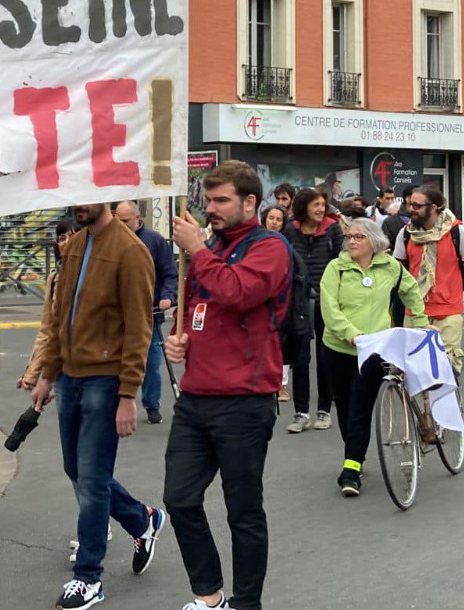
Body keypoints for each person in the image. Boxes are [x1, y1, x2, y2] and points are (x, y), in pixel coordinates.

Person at [164, 160, 291, 610]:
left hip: (244, 402)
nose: (211, 209)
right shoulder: (210, 248)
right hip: (196, 398)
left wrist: (199, 248)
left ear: (250, 201)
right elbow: (200, 307)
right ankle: (210, 594)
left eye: (222, 201)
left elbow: (238, 292)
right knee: (178, 500)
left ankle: (246, 602)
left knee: (243, 511)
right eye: (209, 200)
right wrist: (182, 338)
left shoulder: (270, 246)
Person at [31, 204, 161, 610]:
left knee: (92, 477)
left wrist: (128, 394)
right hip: (69, 376)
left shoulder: (130, 251)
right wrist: (48, 373)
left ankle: (88, 578)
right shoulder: (74, 247)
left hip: (106, 380)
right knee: (77, 470)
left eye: (86, 197)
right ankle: (142, 519)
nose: (77, 205)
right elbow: (59, 319)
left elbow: (140, 327)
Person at [321, 218, 427, 496]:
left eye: (359, 237)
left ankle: (351, 468)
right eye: (349, 237)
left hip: (375, 350)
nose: (352, 242)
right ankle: (354, 451)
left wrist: (422, 319)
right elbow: (329, 308)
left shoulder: (391, 267)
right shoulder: (336, 269)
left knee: (360, 408)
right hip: (339, 348)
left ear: (374, 242)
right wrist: (351, 333)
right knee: (344, 408)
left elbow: (411, 291)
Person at [392, 187, 464, 375]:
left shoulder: (457, 232)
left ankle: (446, 403)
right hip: (415, 310)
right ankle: (422, 404)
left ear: (433, 208)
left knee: (445, 368)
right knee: (415, 370)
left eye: (416, 205)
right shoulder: (406, 234)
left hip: (448, 310)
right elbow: (395, 270)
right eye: (409, 204)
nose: (411, 209)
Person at [283, 187, 343, 433]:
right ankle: (300, 413)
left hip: (326, 301)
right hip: (298, 302)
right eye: (315, 204)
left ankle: (324, 411)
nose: (320, 209)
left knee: (324, 357)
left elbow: (343, 261)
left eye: (323, 204)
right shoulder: (290, 230)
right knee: (300, 358)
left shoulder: (332, 229)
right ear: (304, 206)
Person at [114, 201, 179, 425]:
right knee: (115, 360)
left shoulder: (154, 240)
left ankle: (152, 404)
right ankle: (117, 402)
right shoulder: (112, 241)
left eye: (126, 221)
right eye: (118, 221)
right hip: (118, 313)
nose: (121, 225)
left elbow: (170, 273)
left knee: (150, 361)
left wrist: (168, 297)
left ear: (138, 218)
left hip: (148, 312)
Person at [18, 218, 78, 390]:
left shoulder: (97, 272)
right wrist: (32, 374)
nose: (66, 242)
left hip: (94, 368)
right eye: (61, 238)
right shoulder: (54, 278)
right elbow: (47, 329)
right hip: (62, 366)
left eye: (72, 236)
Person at [261, 206, 292, 402]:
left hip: (280, 300)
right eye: (271, 218)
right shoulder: (256, 241)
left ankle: (281, 385)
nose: (274, 222)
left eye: (278, 219)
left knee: (281, 344)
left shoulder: (285, 244)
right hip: (261, 299)